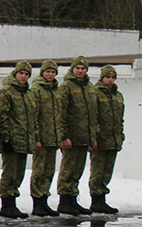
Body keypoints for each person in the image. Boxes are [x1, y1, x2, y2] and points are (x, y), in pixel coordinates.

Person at [55, 56, 99, 216]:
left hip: (83, 138)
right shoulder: (66, 87)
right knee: (68, 169)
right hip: (71, 138)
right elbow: (61, 113)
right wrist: (64, 136)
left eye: (83, 68)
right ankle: (64, 201)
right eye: (77, 68)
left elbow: (93, 115)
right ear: (72, 69)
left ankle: (73, 199)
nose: (80, 71)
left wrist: (92, 136)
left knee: (77, 170)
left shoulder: (89, 87)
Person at [0, 61, 39, 219]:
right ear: (15, 74)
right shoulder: (6, 92)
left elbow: (32, 118)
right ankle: (6, 204)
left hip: (24, 141)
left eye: (27, 74)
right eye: (21, 73)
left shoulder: (28, 94)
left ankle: (12, 203)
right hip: (12, 140)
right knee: (10, 173)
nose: (24, 77)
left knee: (19, 173)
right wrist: (5, 139)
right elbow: (2, 117)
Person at [89, 65, 124, 213]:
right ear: (102, 78)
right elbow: (92, 117)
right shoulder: (95, 93)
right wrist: (94, 137)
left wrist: (120, 136)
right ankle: (96, 200)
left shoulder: (118, 95)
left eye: (113, 77)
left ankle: (102, 199)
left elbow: (120, 119)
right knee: (97, 171)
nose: (110, 80)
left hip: (113, 139)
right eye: (107, 77)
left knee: (107, 171)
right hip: (100, 139)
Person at [30, 61, 61, 216]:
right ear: (42, 73)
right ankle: (37, 202)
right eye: (48, 72)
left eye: (53, 72)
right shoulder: (36, 89)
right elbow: (33, 115)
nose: (50, 75)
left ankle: (44, 199)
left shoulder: (56, 90)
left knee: (49, 171)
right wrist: (36, 137)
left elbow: (59, 116)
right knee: (39, 170)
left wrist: (59, 137)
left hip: (53, 138)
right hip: (42, 137)